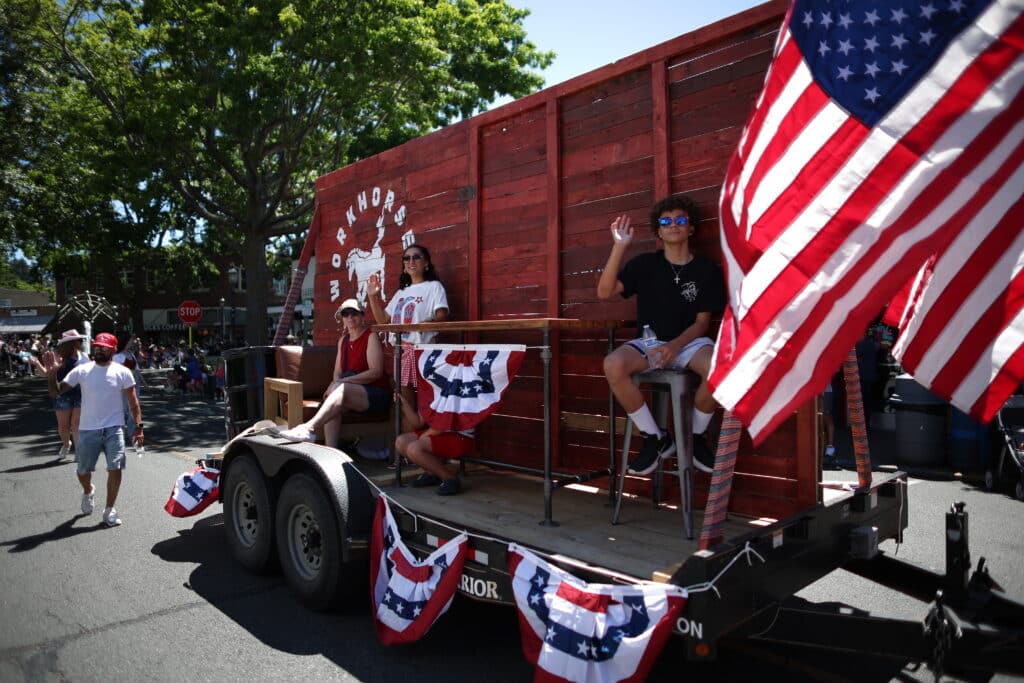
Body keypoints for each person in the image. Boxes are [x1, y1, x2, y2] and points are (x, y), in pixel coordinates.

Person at [596, 194, 725, 475]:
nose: (673, 225)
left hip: (690, 343)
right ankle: (654, 438)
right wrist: (620, 246)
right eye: (666, 221)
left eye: (681, 220)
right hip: (650, 341)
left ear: (691, 228)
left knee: (720, 369)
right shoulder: (645, 264)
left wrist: (676, 346)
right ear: (658, 230)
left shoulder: (706, 270)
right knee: (613, 365)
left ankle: (695, 437)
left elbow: (702, 323)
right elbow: (604, 292)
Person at [41, 332, 143, 528]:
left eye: (103, 347)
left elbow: (133, 404)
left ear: (113, 350)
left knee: (116, 467)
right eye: (96, 347)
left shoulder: (123, 372)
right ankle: (88, 490)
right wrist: (52, 374)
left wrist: (138, 427)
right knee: (82, 470)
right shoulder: (82, 370)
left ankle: (109, 509)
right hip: (88, 429)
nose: (99, 350)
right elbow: (56, 392)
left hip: (114, 428)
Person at [277, 298, 392, 445]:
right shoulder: (342, 341)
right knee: (333, 404)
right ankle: (331, 451)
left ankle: (308, 429)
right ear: (342, 318)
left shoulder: (370, 336)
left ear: (362, 316)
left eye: (354, 313)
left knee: (340, 390)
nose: (350, 317)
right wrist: (337, 383)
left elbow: (376, 372)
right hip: (349, 392)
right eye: (346, 314)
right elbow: (338, 371)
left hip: (375, 392)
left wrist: (340, 383)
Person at [366, 243, 449, 420]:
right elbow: (382, 320)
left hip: (424, 351)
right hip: (402, 352)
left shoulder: (434, 287)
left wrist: (428, 323)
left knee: (429, 399)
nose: (411, 261)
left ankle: (424, 440)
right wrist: (372, 296)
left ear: (426, 263)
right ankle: (408, 440)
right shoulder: (401, 293)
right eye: (407, 258)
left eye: (416, 257)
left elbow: (441, 316)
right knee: (406, 402)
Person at [394, 395, 474, 496]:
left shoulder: (453, 387)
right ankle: (433, 474)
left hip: (459, 436)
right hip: (437, 433)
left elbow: (442, 426)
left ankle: (450, 478)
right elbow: (418, 422)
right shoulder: (429, 389)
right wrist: (404, 404)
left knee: (414, 448)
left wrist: (422, 438)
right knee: (401, 441)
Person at [30, 329, 90, 459]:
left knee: (76, 423)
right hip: (62, 394)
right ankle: (66, 443)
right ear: (72, 343)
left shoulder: (84, 356)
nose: (81, 342)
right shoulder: (59, 357)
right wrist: (37, 363)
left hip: (80, 394)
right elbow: (47, 373)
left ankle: (79, 452)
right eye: (79, 340)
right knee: (63, 426)